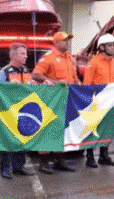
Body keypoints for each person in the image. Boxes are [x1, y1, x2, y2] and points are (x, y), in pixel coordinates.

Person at [32, 31, 80, 173]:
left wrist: (77, 82)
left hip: (67, 100)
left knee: (62, 129)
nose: (67, 42)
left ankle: (59, 160)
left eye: (68, 40)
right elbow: (36, 75)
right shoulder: (48, 58)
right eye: (65, 40)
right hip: (52, 100)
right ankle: (44, 162)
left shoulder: (70, 58)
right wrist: (56, 82)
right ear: (57, 42)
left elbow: (74, 76)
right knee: (48, 129)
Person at [0, 43, 36, 179]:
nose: (26, 56)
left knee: (22, 138)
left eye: (25, 53)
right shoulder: (4, 71)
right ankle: (5, 168)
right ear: (13, 55)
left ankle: (19, 166)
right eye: (22, 53)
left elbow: (30, 87)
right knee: (8, 140)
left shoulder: (25, 70)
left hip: (24, 110)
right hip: (9, 110)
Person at [82, 34, 114, 167]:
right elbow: (87, 83)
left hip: (110, 102)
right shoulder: (94, 63)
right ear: (102, 47)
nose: (112, 48)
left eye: (113, 45)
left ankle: (104, 155)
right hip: (97, 102)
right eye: (109, 45)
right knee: (93, 129)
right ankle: (90, 157)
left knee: (107, 128)